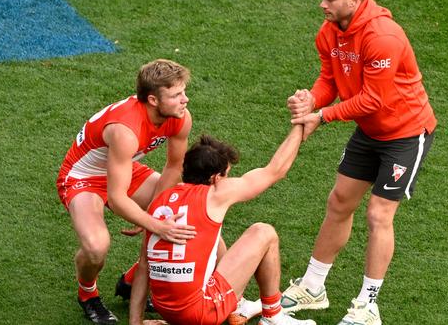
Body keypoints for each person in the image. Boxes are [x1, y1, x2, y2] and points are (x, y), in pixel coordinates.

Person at [282, 0, 437, 325]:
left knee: (378, 213)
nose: (322, 4)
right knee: (339, 201)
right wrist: (311, 100)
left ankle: (368, 306)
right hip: (370, 131)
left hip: (405, 133)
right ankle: (313, 287)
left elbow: (374, 100)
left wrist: (323, 117)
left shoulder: (383, 36)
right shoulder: (330, 32)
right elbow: (329, 80)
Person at [56, 59, 197, 324]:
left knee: (185, 212)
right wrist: (154, 224)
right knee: (97, 247)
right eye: (176, 95)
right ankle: (87, 294)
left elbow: (174, 166)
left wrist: (156, 213)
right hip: (83, 178)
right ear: (153, 100)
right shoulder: (125, 130)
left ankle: (132, 280)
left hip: (124, 168)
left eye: (184, 92)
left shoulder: (179, 117)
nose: (185, 100)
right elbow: (118, 199)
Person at [128, 126, 316, 325]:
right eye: (226, 175)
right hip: (200, 312)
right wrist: (299, 126)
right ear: (215, 178)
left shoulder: (160, 201)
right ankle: (273, 317)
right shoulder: (216, 194)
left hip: (165, 308)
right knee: (263, 232)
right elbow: (275, 171)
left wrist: (136, 322)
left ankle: (235, 305)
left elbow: (143, 266)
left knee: (213, 238)